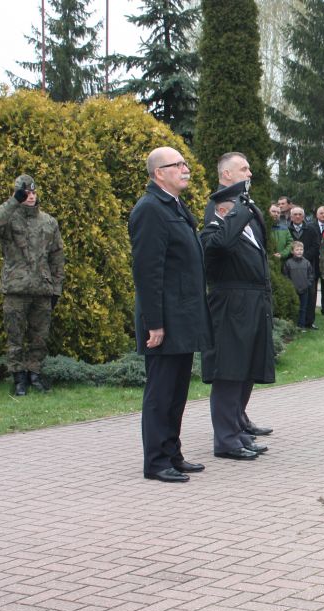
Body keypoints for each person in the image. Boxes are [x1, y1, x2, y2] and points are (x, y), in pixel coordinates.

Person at [129, 147, 211, 483]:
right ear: (158, 173)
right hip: (165, 319)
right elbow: (148, 272)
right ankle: (156, 461)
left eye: (185, 163)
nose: (185, 168)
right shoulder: (150, 209)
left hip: (182, 316)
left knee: (176, 391)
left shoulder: (174, 206)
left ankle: (172, 452)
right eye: (177, 165)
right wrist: (155, 323)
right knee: (161, 391)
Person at [201, 152, 275, 461]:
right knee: (229, 370)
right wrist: (239, 210)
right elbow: (221, 245)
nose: (250, 173)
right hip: (231, 303)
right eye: (243, 168)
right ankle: (226, 438)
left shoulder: (247, 214)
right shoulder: (217, 217)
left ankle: (237, 428)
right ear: (226, 176)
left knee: (246, 369)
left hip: (254, 300)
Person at [0, 174, 64, 396]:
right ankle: (19, 379)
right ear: (19, 194)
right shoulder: (9, 220)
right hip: (16, 289)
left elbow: (57, 257)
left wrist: (56, 289)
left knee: (40, 337)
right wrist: (13, 201)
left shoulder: (48, 222)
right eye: (26, 193)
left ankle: (35, 375)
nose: (31, 196)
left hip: (42, 289)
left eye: (33, 192)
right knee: (15, 337)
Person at [288, 206, 321, 328]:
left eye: (300, 214)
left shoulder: (311, 229)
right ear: (291, 217)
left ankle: (309, 321)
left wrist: (303, 257)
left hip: (308, 266)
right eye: (295, 214)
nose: (297, 216)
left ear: (303, 216)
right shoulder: (287, 229)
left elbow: (316, 245)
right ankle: (294, 321)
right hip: (291, 267)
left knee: (310, 294)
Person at [283, 241, 315, 330]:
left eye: (301, 249)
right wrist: (290, 286)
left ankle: (301, 325)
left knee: (303, 308)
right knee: (292, 308)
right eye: (297, 249)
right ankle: (291, 325)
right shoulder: (288, 263)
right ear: (292, 251)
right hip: (292, 290)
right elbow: (285, 276)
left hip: (304, 290)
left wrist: (307, 284)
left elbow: (311, 275)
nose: (299, 251)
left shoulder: (307, 263)